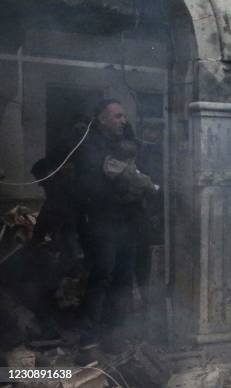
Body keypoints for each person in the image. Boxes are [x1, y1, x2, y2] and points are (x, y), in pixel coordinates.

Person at [73, 99, 145, 356]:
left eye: (124, 116)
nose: (123, 121)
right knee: (101, 278)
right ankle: (88, 339)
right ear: (101, 119)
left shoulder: (124, 144)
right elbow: (90, 186)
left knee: (124, 280)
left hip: (128, 223)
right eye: (117, 116)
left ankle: (115, 335)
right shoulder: (90, 145)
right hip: (102, 223)